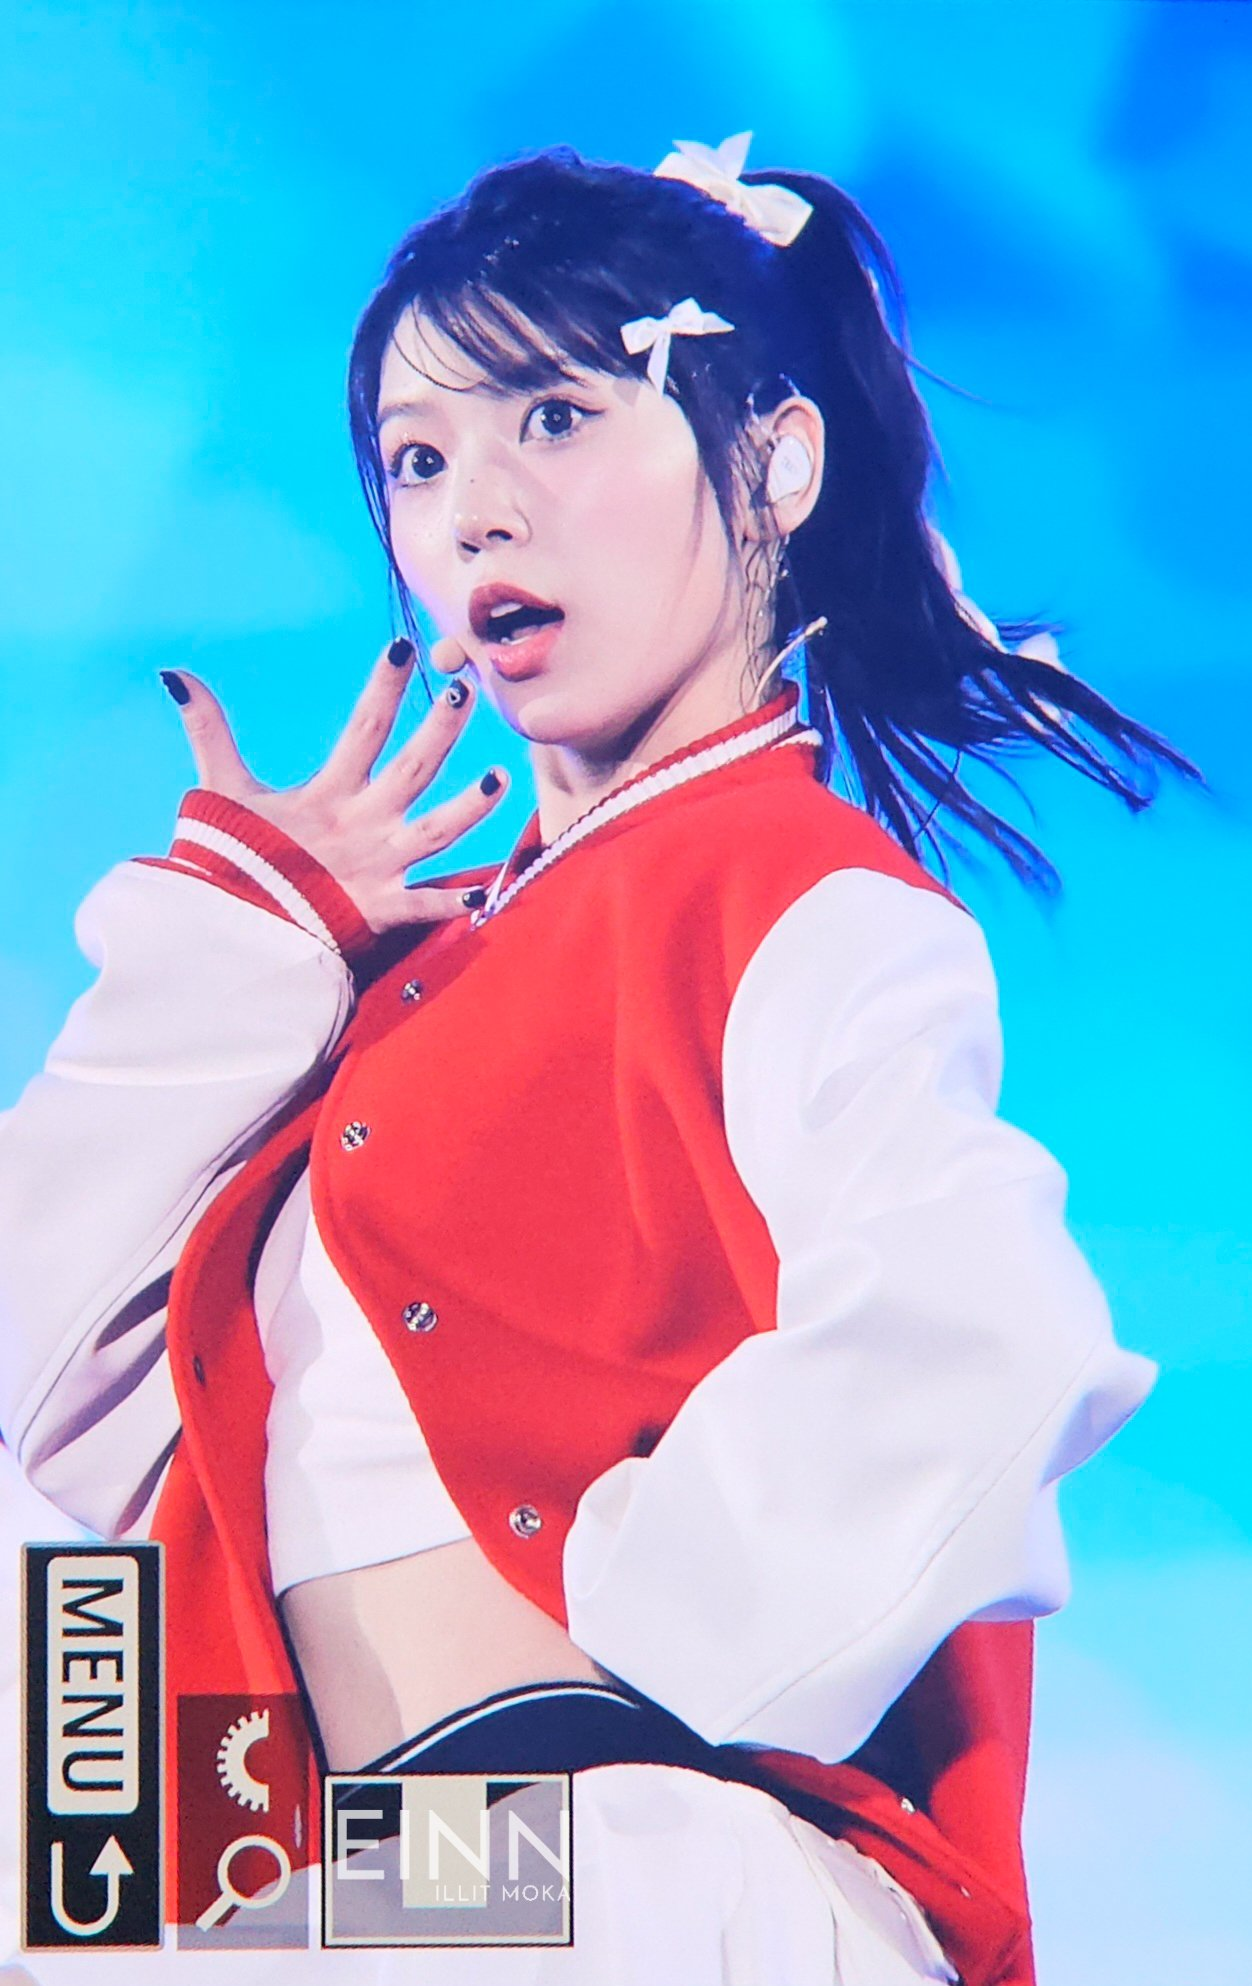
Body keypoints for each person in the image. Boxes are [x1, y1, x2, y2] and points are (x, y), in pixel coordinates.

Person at [0, 136, 1191, 1984]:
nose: (475, 510)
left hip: (630, 1856)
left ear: (776, 463)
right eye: (418, 458)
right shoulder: (380, 998)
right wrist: (237, 951)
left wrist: (649, 1625)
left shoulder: (796, 898)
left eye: (553, 418)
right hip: (370, 1873)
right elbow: (56, 1417)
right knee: (98, 1913)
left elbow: (984, 1335)